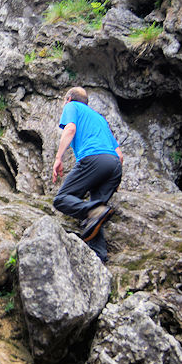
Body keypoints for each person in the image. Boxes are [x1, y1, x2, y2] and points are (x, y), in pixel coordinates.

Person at [52, 86, 123, 262]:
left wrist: (58, 157)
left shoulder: (72, 106)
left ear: (68, 99)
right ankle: (99, 254)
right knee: (96, 215)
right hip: (114, 165)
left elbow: (70, 129)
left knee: (62, 198)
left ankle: (93, 210)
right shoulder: (99, 119)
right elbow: (120, 154)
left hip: (93, 157)